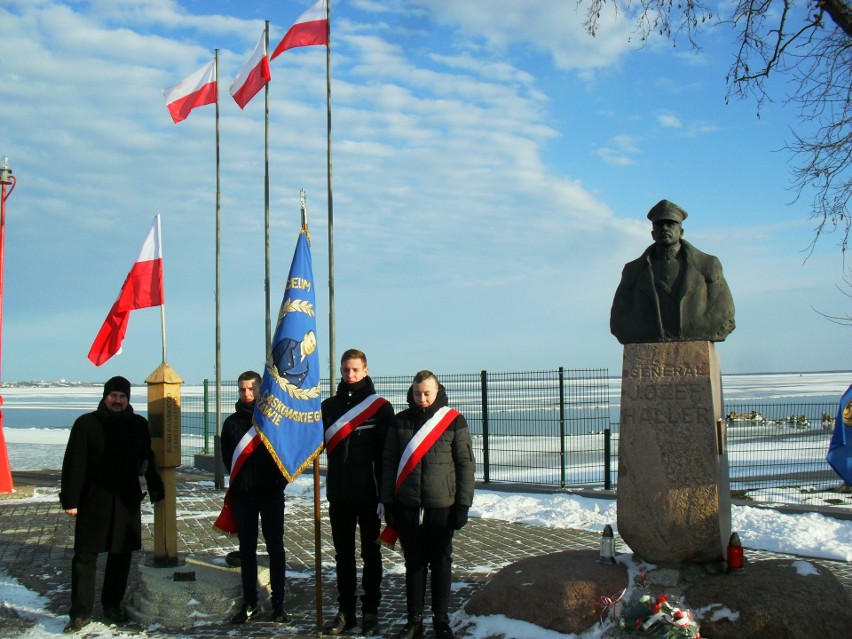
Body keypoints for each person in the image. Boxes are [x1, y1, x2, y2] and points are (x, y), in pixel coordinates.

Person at [60, 376, 165, 634]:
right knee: (85, 556)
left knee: (121, 555)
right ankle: (80, 613)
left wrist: (155, 486)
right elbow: (74, 463)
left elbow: (147, 458)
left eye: (122, 396)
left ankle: (112, 605)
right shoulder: (86, 424)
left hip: (126, 499)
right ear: (105, 396)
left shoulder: (138, 425)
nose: (117, 400)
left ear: (128, 399)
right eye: (113, 396)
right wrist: (71, 499)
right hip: (94, 499)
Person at [381, 370, 475, 639]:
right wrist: (388, 502)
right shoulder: (400, 422)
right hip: (408, 504)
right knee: (413, 563)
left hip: (442, 505)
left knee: (441, 562)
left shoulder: (453, 421)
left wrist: (462, 506)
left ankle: (441, 620)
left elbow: (465, 465)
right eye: (417, 393)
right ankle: (414, 620)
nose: (422, 398)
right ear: (411, 392)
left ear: (437, 392)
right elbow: (388, 464)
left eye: (427, 393)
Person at [321, 349, 396, 637]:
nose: (349, 375)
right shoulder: (328, 407)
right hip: (339, 494)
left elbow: (388, 455)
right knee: (343, 556)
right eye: (344, 370)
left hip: (369, 495)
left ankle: (371, 611)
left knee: (371, 554)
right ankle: (346, 612)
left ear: (365, 370)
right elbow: (316, 444)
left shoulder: (380, 408)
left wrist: (385, 496)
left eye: (354, 370)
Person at [610, 199, 735, 344]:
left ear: (681, 232)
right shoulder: (633, 270)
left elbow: (723, 311)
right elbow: (619, 316)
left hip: (696, 335)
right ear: (652, 233)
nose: (664, 228)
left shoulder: (707, 264)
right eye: (659, 225)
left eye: (670, 224)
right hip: (647, 336)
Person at [220, 370, 289, 624]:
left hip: (271, 495)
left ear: (261, 389)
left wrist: (277, 483)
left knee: (275, 549)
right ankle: (250, 602)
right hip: (244, 498)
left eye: (251, 389)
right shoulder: (231, 424)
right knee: (247, 551)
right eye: (242, 389)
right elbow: (229, 459)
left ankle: (278, 603)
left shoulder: (274, 419)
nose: (247, 393)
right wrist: (242, 484)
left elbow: (285, 456)